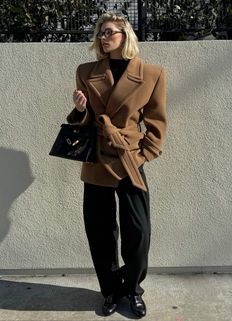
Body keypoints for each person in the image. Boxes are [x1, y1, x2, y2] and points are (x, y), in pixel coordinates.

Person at [67, 12, 167, 318]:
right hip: (97, 157)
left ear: (125, 36)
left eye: (110, 32)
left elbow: (157, 123)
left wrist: (142, 154)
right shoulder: (86, 70)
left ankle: (132, 289)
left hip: (129, 158)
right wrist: (80, 110)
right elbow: (84, 123)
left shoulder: (151, 73)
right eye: (100, 33)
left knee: (138, 232)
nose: (104, 37)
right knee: (100, 231)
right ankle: (110, 290)